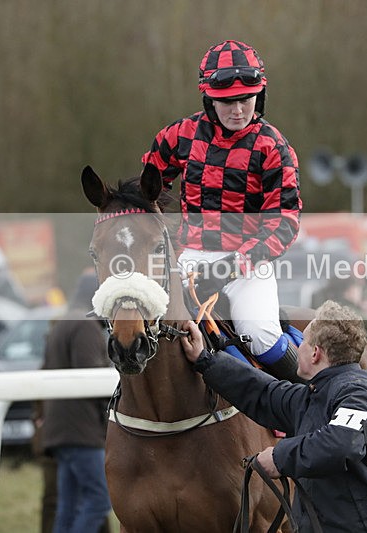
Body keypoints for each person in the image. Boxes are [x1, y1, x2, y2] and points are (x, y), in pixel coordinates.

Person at [141, 39, 303, 382]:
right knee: (147, 322)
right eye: (227, 102)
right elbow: (148, 189)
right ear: (208, 98)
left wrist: (236, 264)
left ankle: (306, 398)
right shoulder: (178, 135)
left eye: (246, 99)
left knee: (260, 337)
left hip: (248, 263)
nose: (238, 110)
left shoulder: (273, 147)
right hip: (190, 255)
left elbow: (285, 223)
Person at [179, 300, 367, 532]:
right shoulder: (313, 396)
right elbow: (262, 392)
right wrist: (205, 360)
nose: (297, 346)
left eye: (302, 341)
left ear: (315, 354)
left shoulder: (359, 392)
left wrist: (279, 457)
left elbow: (342, 442)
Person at [40, 272, 112, 533]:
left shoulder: (62, 323)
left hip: (60, 430)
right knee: (99, 501)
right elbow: (93, 380)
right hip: (82, 431)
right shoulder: (84, 325)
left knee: (68, 507)